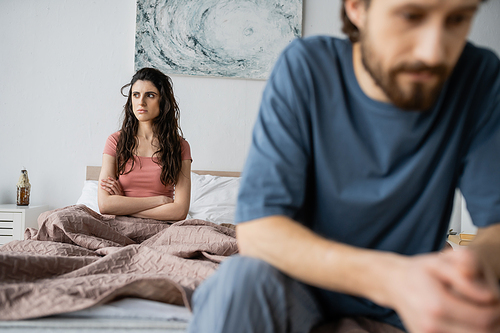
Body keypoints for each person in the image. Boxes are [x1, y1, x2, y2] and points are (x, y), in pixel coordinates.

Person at [188, 0, 500, 332]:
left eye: (457, 19)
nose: (434, 52)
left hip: (411, 304)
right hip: (304, 287)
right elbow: (259, 232)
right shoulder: (306, 68)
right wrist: (393, 279)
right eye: (411, 16)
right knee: (239, 282)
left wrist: (471, 267)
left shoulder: (478, 77)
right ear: (357, 8)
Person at [98, 67, 192, 221]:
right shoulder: (115, 141)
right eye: (136, 95)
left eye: (150, 95)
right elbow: (105, 205)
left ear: (162, 101)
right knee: (59, 218)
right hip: (119, 227)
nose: (141, 102)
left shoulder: (180, 146)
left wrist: (124, 207)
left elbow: (179, 211)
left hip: (163, 228)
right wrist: (159, 200)